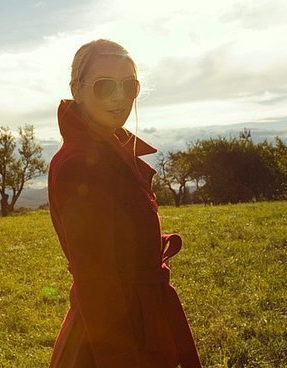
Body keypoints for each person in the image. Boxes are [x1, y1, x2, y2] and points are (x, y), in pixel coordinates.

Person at [47, 39, 202, 368]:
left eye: (129, 86)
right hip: (118, 334)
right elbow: (95, 279)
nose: (120, 97)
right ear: (77, 89)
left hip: (143, 318)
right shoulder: (80, 165)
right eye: (105, 87)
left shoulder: (110, 150)